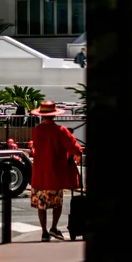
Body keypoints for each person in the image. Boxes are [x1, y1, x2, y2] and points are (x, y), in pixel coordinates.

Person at [29, 101, 83, 242]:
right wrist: (77, 154)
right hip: (55, 173)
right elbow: (74, 147)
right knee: (57, 202)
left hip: (39, 173)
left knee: (42, 205)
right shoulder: (60, 130)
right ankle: (54, 227)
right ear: (54, 115)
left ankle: (44, 232)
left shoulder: (36, 130)